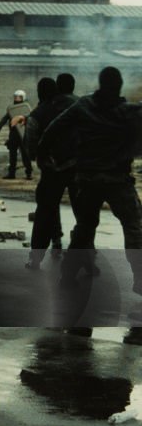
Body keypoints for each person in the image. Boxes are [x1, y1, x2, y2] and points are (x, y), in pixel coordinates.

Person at [40, 67, 142, 305]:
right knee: (134, 227)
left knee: (84, 228)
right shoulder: (129, 112)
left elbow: (52, 130)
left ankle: (67, 275)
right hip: (118, 181)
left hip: (87, 179)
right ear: (118, 86)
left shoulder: (83, 106)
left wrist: (44, 157)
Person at [23, 77, 78, 269]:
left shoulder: (39, 112)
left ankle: (36, 257)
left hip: (51, 169)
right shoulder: (79, 106)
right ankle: (86, 259)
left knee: (45, 211)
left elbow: (30, 142)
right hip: (77, 167)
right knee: (84, 214)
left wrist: (36, 157)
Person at [0, 90, 33, 180]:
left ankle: (29, 173)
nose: (17, 98)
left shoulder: (25, 109)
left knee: (25, 154)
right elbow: (5, 118)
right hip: (13, 135)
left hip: (23, 134)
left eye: (19, 97)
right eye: (15, 96)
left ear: (23, 97)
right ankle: (11, 173)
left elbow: (30, 119)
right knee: (12, 155)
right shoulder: (11, 109)